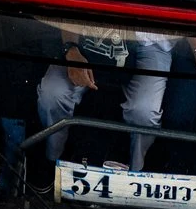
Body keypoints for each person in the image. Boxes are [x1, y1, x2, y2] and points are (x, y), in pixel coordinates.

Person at [35, 28, 171, 171]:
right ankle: (52, 165)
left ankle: (136, 176)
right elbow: (70, 14)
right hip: (89, 37)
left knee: (144, 112)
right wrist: (71, 49)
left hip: (147, 43)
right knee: (52, 95)